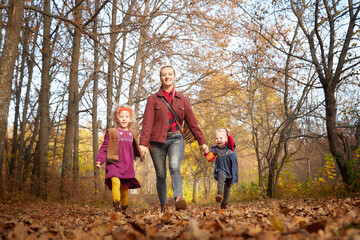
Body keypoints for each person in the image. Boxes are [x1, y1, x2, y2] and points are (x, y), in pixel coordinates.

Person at [139, 65, 209, 212]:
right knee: (160, 174)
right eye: (164, 75)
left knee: (174, 167)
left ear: (174, 77)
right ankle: (164, 204)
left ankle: (178, 198)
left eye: (170, 74)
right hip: (156, 141)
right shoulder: (153, 99)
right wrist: (143, 144)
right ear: (160, 78)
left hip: (176, 138)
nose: (167, 77)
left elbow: (193, 123)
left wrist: (202, 142)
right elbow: (147, 122)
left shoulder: (182, 100)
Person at [96, 105, 143, 214]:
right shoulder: (112, 132)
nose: (124, 119)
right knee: (115, 181)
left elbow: (136, 147)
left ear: (130, 119)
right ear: (117, 118)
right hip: (114, 162)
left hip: (127, 165)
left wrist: (142, 152)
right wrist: (100, 160)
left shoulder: (132, 133)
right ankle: (116, 207)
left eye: (127, 116)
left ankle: (124, 208)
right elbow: (104, 147)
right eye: (121, 116)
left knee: (125, 189)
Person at [204, 128, 238, 209]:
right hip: (221, 167)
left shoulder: (229, 146)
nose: (218, 140)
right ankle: (219, 193)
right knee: (221, 175)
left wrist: (229, 135)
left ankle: (224, 203)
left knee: (228, 186)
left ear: (225, 138)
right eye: (216, 138)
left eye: (221, 138)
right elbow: (210, 159)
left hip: (230, 168)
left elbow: (231, 142)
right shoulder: (215, 149)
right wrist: (206, 153)